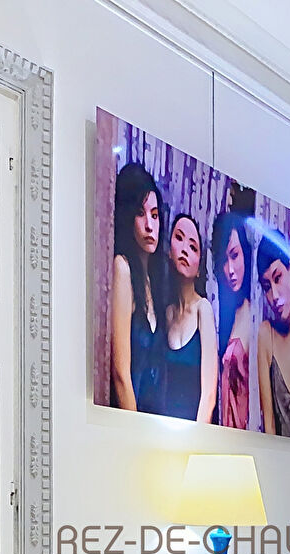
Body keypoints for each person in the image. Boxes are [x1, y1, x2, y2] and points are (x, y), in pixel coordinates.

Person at [109, 162, 166, 411]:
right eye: (140, 213)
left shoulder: (154, 282)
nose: (149, 225)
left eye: (154, 215)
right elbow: (121, 374)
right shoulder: (122, 268)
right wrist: (132, 427)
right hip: (128, 422)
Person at [160, 212, 219, 423]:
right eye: (179, 238)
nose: (185, 249)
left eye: (193, 247)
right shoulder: (166, 314)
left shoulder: (203, 310)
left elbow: (209, 397)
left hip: (195, 433)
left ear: (199, 268)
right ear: (169, 252)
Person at [256, 232, 290, 439]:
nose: (275, 296)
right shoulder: (266, 334)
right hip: (275, 454)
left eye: (278, 278)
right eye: (267, 287)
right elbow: (268, 425)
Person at [212, 207, 254, 429]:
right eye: (223, 260)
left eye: (235, 255)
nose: (230, 270)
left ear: (245, 253)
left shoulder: (256, 316)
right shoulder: (224, 317)